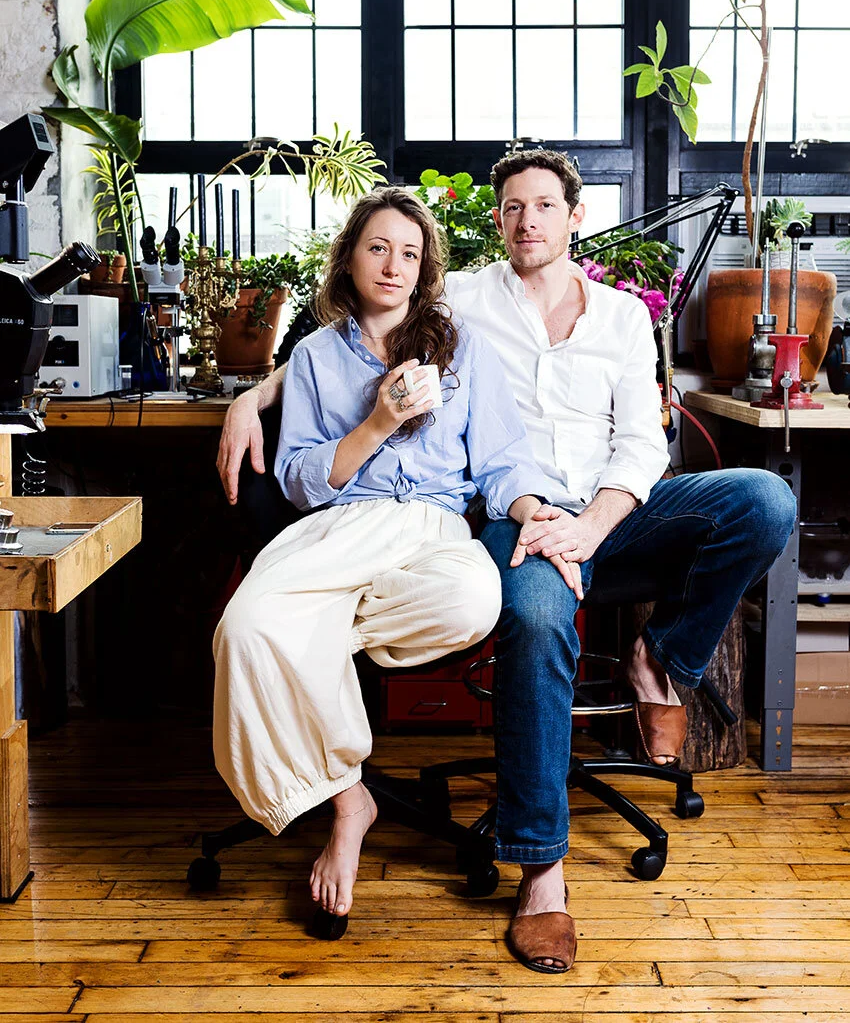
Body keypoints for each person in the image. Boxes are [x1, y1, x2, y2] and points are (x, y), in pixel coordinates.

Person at [215, 151, 797, 974]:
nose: (528, 221)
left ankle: (663, 658)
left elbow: (640, 442)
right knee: (531, 611)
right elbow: (364, 326)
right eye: (512, 208)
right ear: (496, 222)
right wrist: (254, 392)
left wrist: (592, 525)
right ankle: (543, 874)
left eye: (544, 206)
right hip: (517, 519)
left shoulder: (626, 319)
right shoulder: (460, 306)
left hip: (610, 511)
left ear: (574, 216)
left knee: (766, 501)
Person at [212, 186, 574, 938]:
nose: (394, 264)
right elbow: (302, 480)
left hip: (432, 530)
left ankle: (312, 634)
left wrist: (528, 508)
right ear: (349, 260)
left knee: (478, 599)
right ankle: (350, 799)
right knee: (245, 629)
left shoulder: (461, 345)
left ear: (425, 268)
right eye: (379, 247)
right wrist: (380, 421)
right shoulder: (313, 356)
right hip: (340, 529)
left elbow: (502, 461)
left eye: (410, 253)